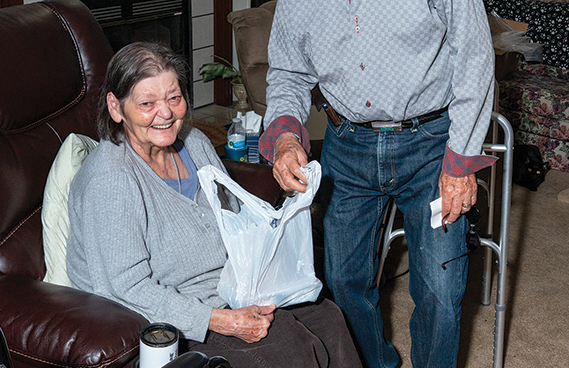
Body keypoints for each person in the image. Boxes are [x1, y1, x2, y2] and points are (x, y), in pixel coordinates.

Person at [260, 0, 496, 368]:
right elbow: (289, 71)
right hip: (347, 147)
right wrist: (287, 138)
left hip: (433, 145)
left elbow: (475, 57)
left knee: (438, 291)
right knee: (342, 283)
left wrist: (460, 163)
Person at [66, 42, 361, 368]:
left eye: (174, 98)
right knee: (290, 347)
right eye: (147, 103)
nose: (165, 114)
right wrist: (222, 320)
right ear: (116, 107)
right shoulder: (109, 180)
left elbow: (233, 219)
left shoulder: (195, 143)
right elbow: (127, 288)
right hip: (180, 314)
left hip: (236, 287)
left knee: (328, 319)